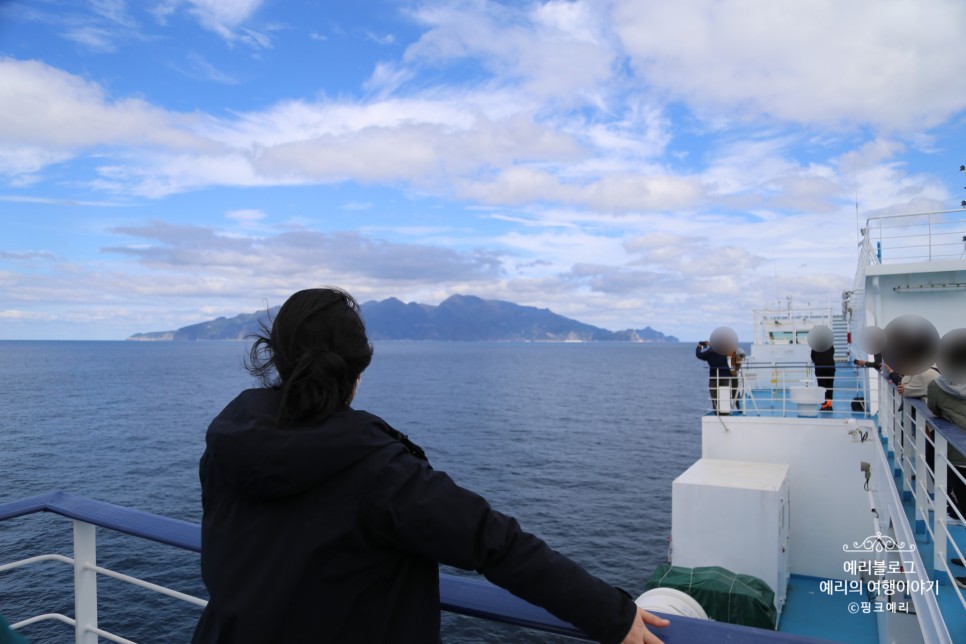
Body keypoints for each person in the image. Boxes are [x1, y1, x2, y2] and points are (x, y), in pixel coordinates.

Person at [192, 288, 669, 644]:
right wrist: (615, 615)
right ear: (358, 373)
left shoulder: (228, 440)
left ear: (276, 357)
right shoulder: (376, 470)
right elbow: (494, 543)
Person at [695, 340, 733, 412]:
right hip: (725, 375)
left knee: (714, 396)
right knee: (725, 394)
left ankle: (716, 411)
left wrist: (700, 346)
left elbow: (698, 354)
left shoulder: (709, 353)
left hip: (714, 377)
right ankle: (725, 411)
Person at [810, 345, 835, 411]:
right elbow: (832, 353)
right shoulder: (830, 345)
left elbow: (813, 357)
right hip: (830, 368)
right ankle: (829, 405)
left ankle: (824, 405)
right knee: (830, 386)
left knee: (821, 387)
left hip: (820, 368)